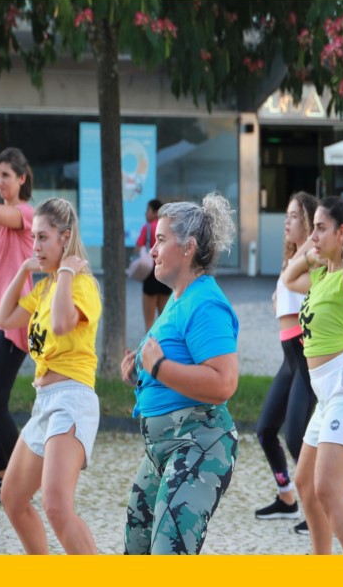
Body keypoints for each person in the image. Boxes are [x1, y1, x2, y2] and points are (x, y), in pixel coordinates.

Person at [121, 193, 240, 555]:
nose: (152, 249)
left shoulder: (205, 302)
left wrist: (158, 367)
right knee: (136, 550)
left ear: (188, 248)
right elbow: (172, 367)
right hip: (163, 449)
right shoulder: (178, 297)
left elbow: (223, 382)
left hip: (197, 443)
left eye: (160, 240)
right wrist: (139, 373)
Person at [0, 197, 102, 554]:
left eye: (43, 238)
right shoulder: (44, 288)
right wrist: (25, 270)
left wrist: (68, 272)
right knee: (12, 498)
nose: (35, 246)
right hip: (44, 403)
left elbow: (60, 323)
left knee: (57, 507)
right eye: (34, 238)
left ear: (64, 238)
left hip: (72, 400)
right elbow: (3, 318)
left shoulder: (81, 284)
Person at [282, 196, 343, 555]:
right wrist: (310, 251)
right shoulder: (322, 276)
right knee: (305, 484)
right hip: (328, 396)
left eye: (322, 228)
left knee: (327, 490)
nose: (315, 234)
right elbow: (288, 278)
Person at [254, 192, 319, 535]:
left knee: (296, 438)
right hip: (287, 359)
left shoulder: (312, 256)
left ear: (308, 222)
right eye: (287, 214)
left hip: (305, 357)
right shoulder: (291, 258)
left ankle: (319, 507)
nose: (286, 220)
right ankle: (286, 497)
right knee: (265, 431)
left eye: (294, 215)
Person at [0, 144, 34, 501]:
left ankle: (21, 483)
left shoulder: (26, 213)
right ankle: (2, 475)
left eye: (5, 176)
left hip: (15, 318)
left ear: (22, 179)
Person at [137, 198, 172, 333]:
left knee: (149, 321)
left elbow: (138, 247)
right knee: (164, 318)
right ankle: (163, 348)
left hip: (150, 275)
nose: (146, 213)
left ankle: (149, 348)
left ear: (154, 211)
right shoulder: (167, 227)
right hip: (165, 273)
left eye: (148, 210)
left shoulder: (148, 227)